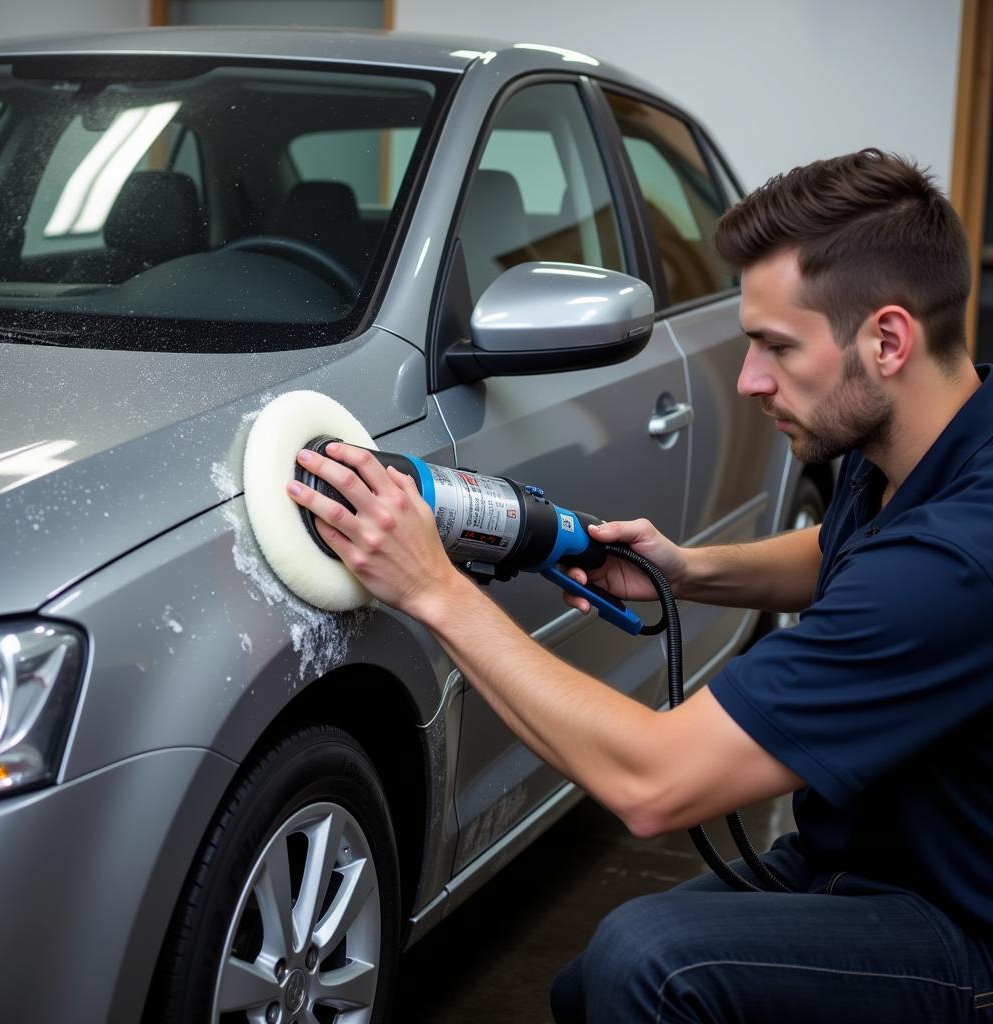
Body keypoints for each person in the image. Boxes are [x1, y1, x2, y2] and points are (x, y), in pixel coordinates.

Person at [286, 149, 993, 1022]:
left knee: (648, 965)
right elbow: (843, 555)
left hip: (962, 926)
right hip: (864, 858)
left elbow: (653, 785)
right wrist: (691, 572)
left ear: (887, 340)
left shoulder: (961, 555)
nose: (750, 381)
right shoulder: (920, 438)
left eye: (776, 347)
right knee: (585, 989)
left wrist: (434, 590)